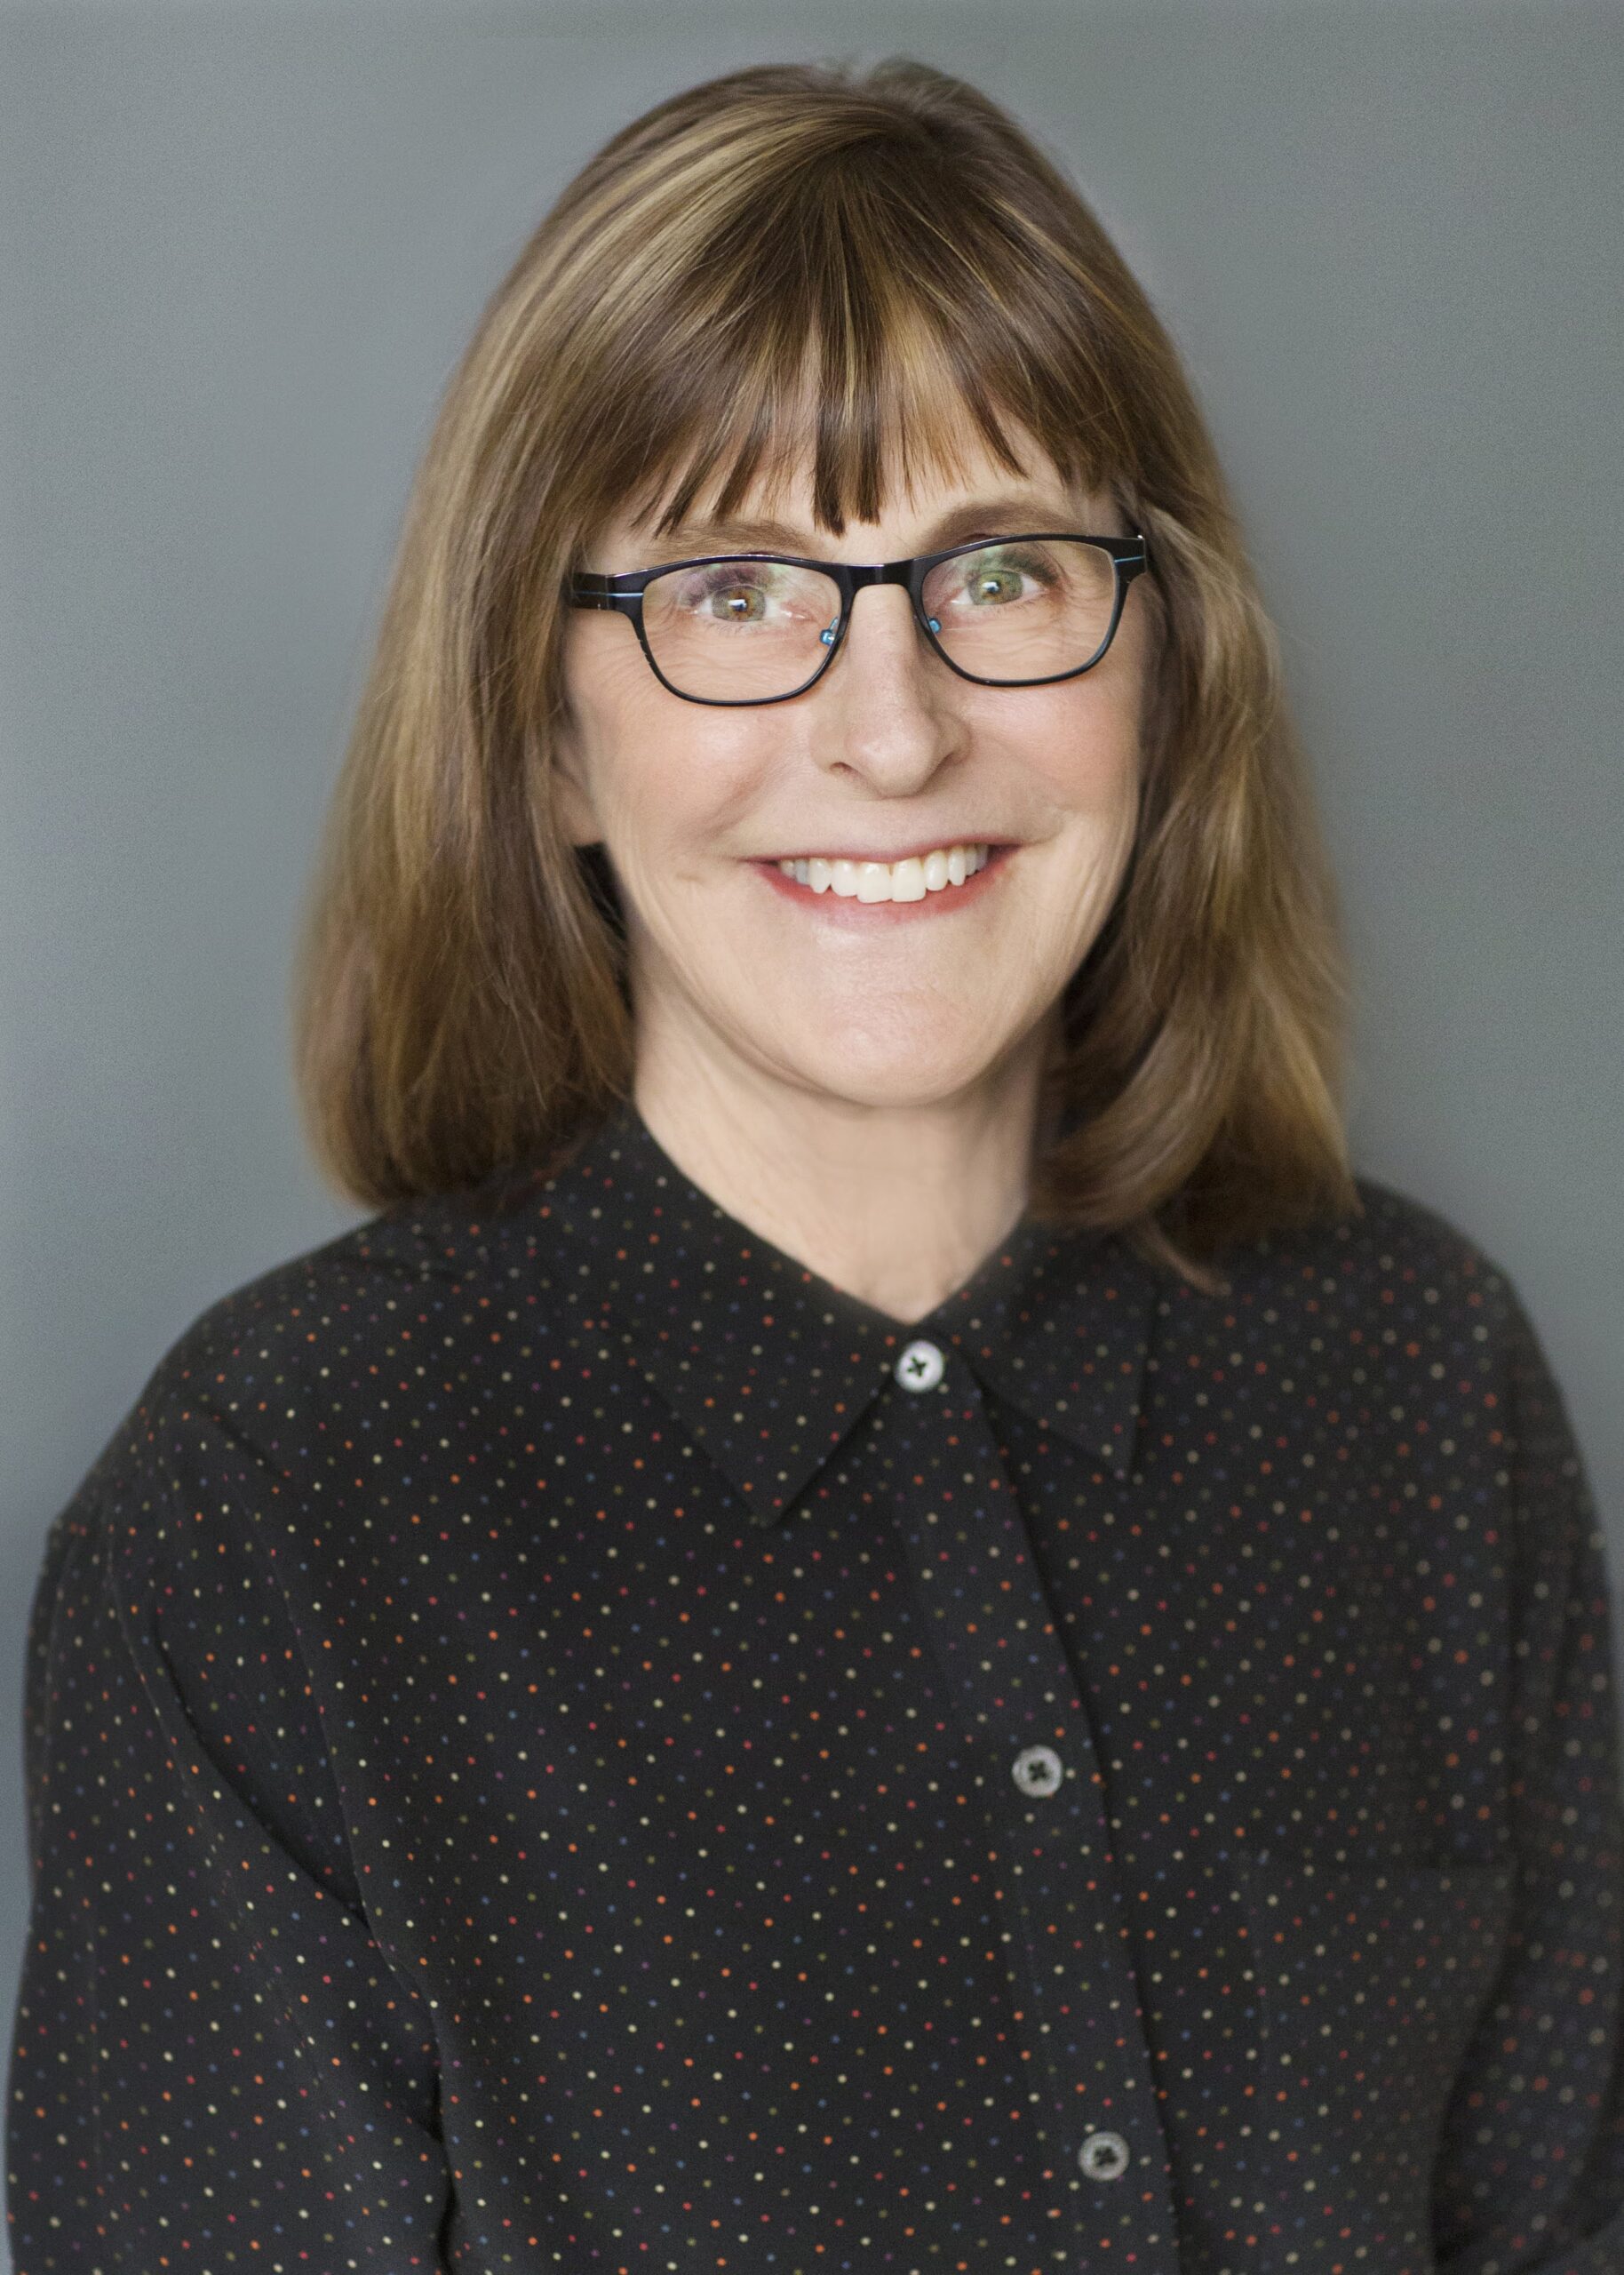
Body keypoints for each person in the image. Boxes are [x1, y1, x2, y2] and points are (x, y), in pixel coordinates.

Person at [6, 52, 1620, 2275]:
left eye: (1009, 568)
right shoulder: (268, 1525)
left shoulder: (1414, 1386)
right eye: (737, 590)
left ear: (1161, 666)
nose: (891, 728)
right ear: (543, 731)